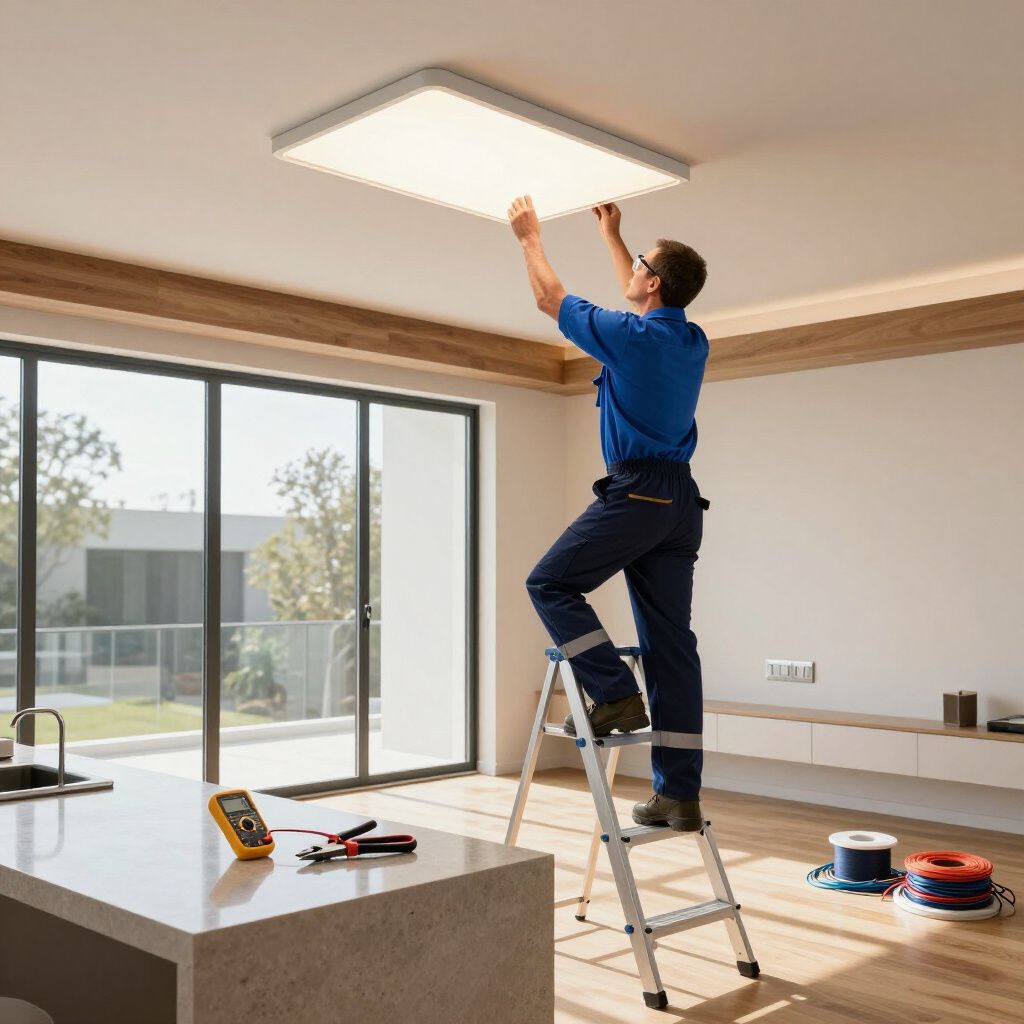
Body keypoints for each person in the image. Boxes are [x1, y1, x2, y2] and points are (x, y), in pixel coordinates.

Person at [507, 195, 710, 832]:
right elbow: (644, 293)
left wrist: (528, 239)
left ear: (651, 281)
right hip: (681, 502)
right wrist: (615, 238)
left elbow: (550, 300)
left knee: (550, 582)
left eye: (640, 265)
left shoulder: (632, 338)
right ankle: (678, 795)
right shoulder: (688, 337)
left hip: (640, 491)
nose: (634, 271)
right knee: (672, 645)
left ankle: (614, 690)